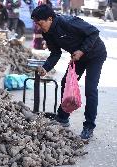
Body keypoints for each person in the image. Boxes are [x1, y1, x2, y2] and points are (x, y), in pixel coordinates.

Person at [31, 5, 107, 139]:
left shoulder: (68, 22)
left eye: (40, 23)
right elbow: (55, 53)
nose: (38, 26)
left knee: (90, 89)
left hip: (95, 54)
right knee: (66, 82)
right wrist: (46, 67)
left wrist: (82, 50)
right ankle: (63, 118)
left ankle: (89, 126)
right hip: (78, 57)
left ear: (50, 19)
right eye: (36, 23)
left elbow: (94, 32)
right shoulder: (47, 32)